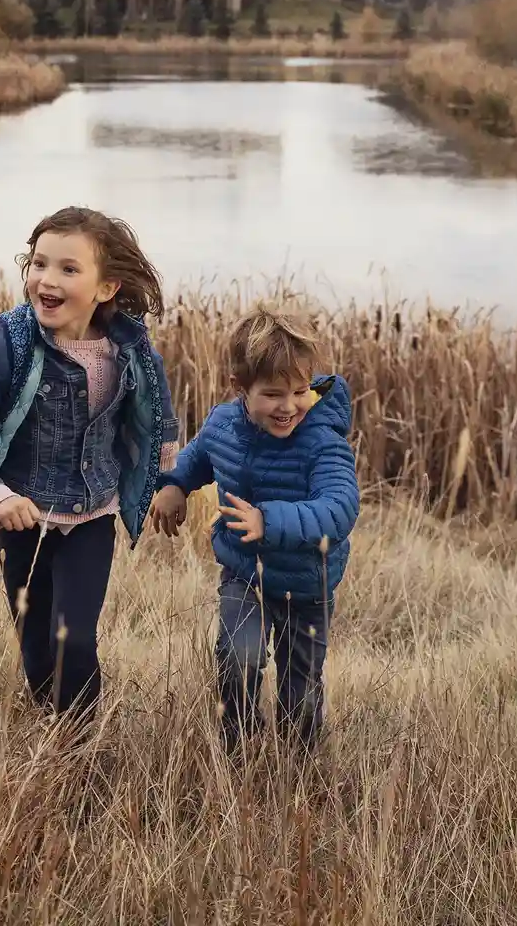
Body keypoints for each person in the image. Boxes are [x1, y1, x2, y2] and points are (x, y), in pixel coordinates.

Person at [0, 207, 179, 723]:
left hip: (91, 516)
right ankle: (49, 724)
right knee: (38, 650)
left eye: (68, 268)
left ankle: (79, 749)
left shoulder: (129, 348)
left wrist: (169, 482)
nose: (46, 279)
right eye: (39, 264)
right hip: (23, 519)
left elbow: (158, 420)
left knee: (74, 638)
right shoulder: (12, 343)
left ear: (106, 287)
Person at [148, 306, 359, 752]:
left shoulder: (324, 443)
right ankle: (239, 743)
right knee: (236, 657)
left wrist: (270, 521)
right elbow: (198, 458)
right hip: (244, 572)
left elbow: (340, 509)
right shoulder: (223, 425)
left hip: (308, 584)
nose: (289, 406)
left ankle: (300, 766)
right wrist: (174, 486)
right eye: (273, 394)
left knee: (300, 691)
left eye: (300, 391)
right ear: (239, 388)